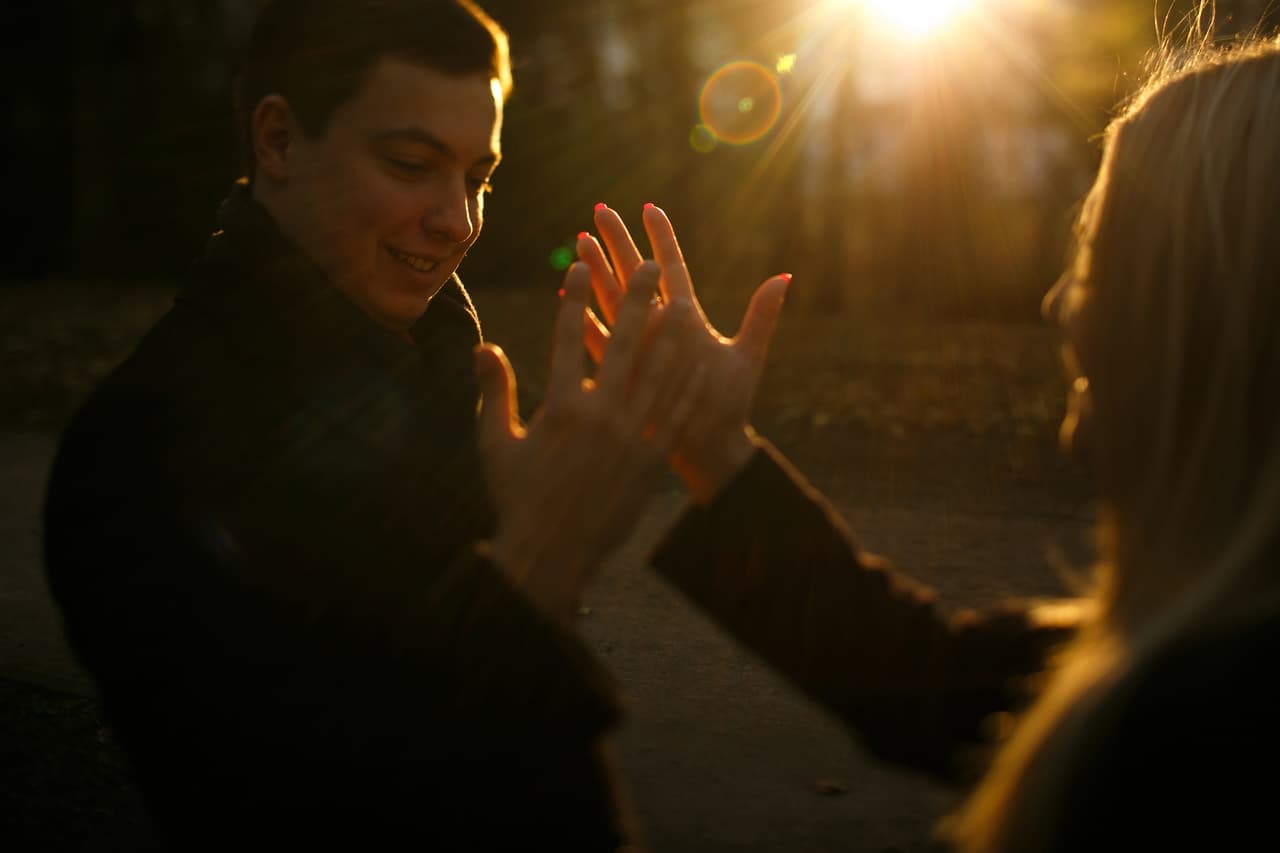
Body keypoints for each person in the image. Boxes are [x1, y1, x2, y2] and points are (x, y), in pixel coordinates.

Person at [570, 30, 1280, 852]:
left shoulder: (1186, 742)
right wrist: (715, 449)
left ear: (1202, 318)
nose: (1058, 305)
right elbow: (931, 681)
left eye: (1092, 262)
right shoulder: (1184, 658)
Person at [42, 1, 702, 848]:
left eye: (477, 179)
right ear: (277, 141)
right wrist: (535, 571)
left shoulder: (446, 377)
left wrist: (718, 453)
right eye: (410, 163)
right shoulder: (140, 455)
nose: (457, 221)